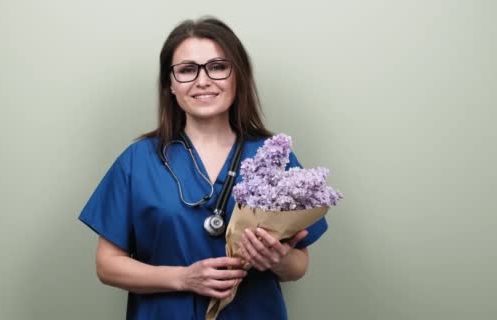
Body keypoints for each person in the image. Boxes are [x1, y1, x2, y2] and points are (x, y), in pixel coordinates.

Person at [78, 16, 328, 320]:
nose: (203, 80)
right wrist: (183, 278)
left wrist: (277, 260)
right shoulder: (137, 160)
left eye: (218, 66)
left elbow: (298, 266)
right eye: (186, 70)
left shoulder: (273, 155)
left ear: (238, 75)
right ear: (169, 85)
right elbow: (107, 265)